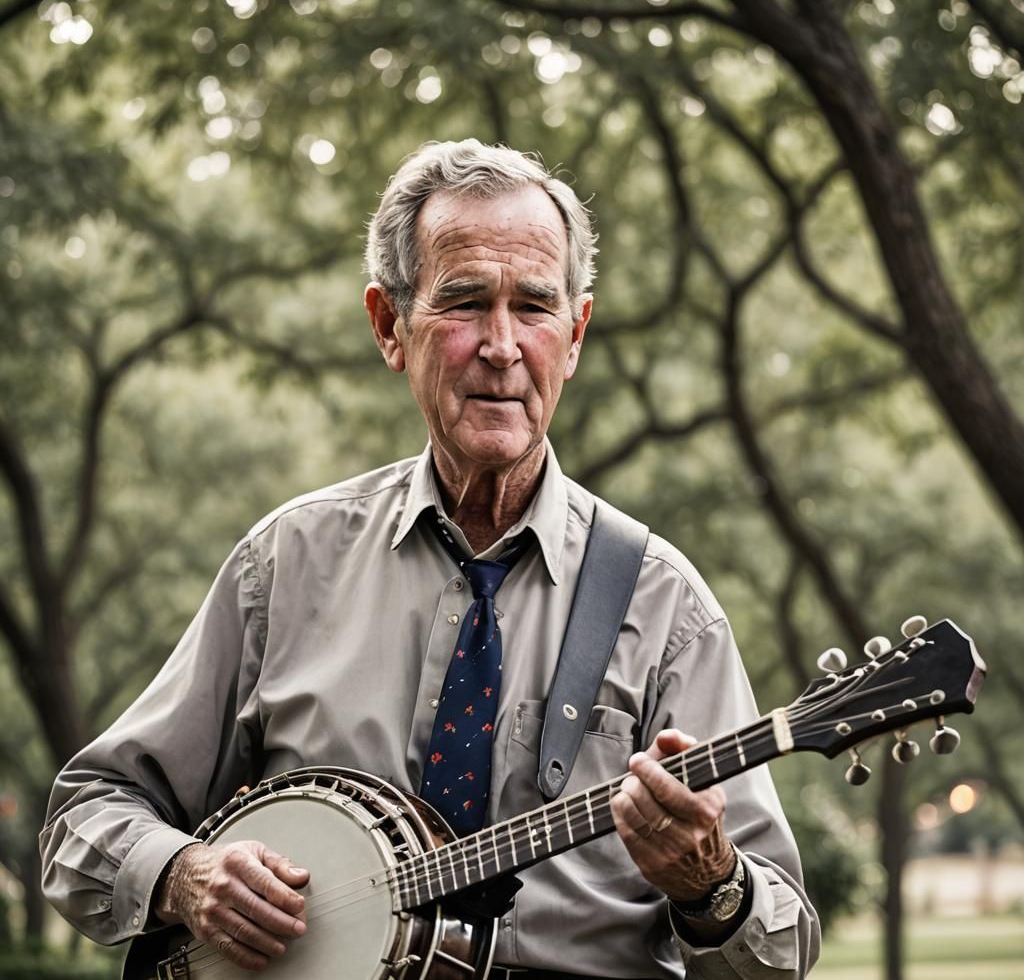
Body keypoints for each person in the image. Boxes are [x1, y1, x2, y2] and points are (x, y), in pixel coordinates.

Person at [40, 139, 820, 979]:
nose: (501, 345)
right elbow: (87, 816)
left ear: (576, 334)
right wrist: (185, 878)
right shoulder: (287, 565)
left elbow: (781, 955)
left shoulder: (665, 607)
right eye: (464, 303)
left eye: (534, 307)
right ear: (389, 326)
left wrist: (712, 887)